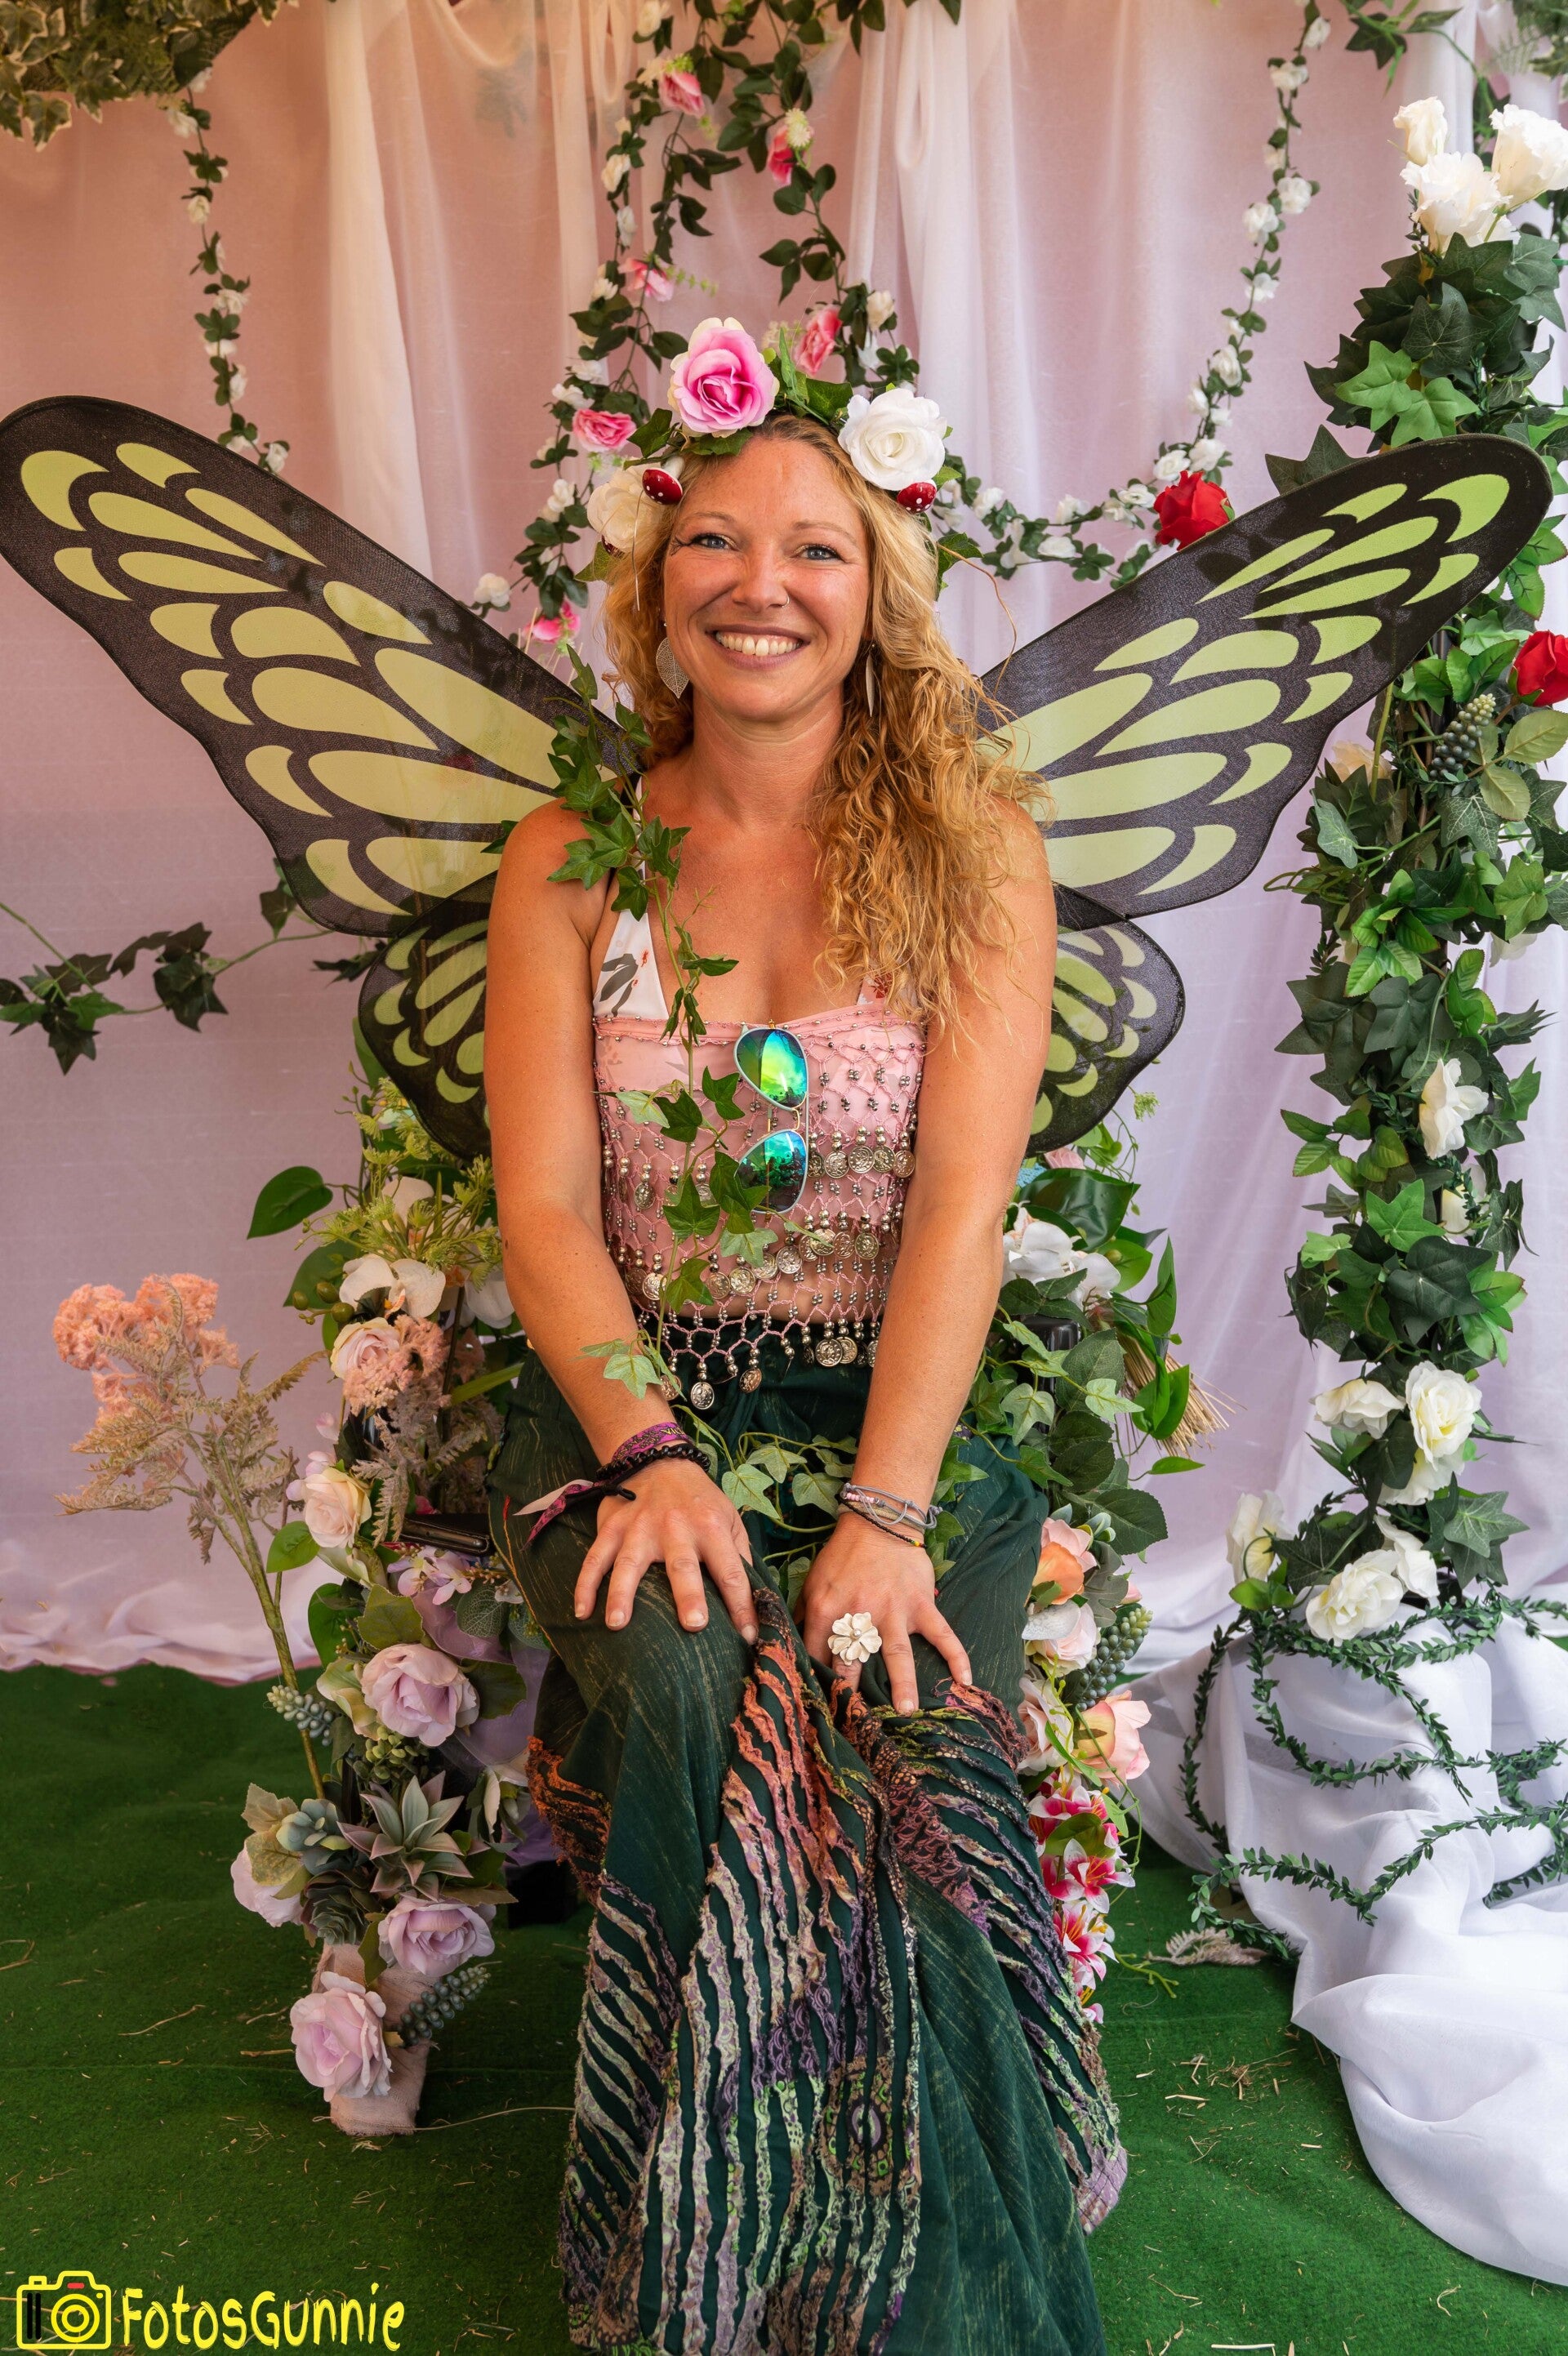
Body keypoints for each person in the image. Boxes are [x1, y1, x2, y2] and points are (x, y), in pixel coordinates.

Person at [483, 389, 1120, 2353]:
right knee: (699, 1678)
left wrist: (886, 1515)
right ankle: (700, 2244)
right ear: (652, 589)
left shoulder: (970, 850)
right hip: (628, 1407)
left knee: (890, 1718)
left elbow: (960, 1209)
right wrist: (653, 1452)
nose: (760, 583)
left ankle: (898, 2252)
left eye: (815, 548)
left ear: (876, 598)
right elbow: (546, 1212)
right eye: (715, 540)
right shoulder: (571, 858)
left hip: (884, 1421)